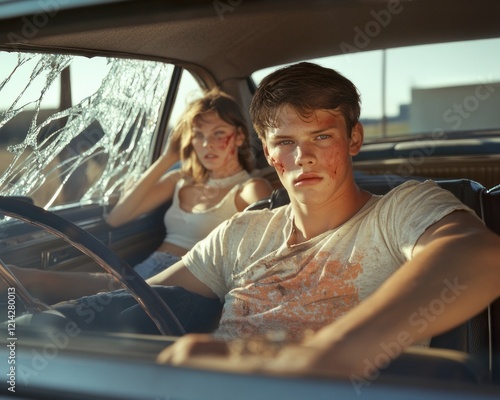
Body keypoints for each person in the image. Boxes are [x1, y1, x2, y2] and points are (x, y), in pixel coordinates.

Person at [146, 62, 500, 378]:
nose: (303, 157)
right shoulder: (239, 233)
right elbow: (139, 290)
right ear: (268, 153)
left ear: (354, 138)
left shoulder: (401, 210)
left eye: (321, 136)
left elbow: (478, 254)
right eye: (285, 141)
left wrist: (322, 354)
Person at [5, 89, 272, 305]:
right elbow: (117, 217)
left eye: (218, 134)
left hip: (191, 282)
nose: (206, 144)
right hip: (144, 271)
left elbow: (264, 253)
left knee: (67, 303)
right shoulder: (179, 180)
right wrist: (168, 158)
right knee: (24, 278)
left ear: (239, 137)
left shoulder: (249, 189)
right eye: (199, 135)